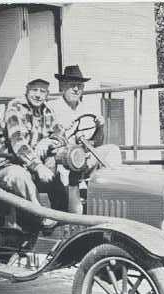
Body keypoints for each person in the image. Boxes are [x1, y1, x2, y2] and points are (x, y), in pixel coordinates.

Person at [0, 78, 66, 230]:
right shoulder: (15, 107)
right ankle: (41, 217)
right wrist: (38, 166)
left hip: (28, 165)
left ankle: (65, 217)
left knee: (58, 173)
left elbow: (61, 133)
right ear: (27, 90)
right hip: (3, 165)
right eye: (34, 90)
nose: (38, 95)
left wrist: (49, 141)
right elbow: (18, 142)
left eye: (42, 91)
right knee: (20, 175)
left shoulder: (47, 111)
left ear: (47, 94)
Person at [48, 65, 122, 213]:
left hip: (84, 155)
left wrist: (100, 127)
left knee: (112, 150)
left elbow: (97, 142)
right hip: (62, 158)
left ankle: (113, 197)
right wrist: (62, 129)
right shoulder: (52, 107)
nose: (76, 89)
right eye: (72, 85)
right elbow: (49, 138)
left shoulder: (88, 108)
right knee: (75, 162)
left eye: (79, 86)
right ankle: (73, 213)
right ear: (63, 86)